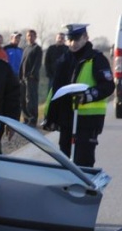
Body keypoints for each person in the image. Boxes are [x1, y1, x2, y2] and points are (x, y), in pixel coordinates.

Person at [42, 23, 113, 167]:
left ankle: (86, 188)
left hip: (87, 120)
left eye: (76, 39)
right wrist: (50, 115)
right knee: (65, 161)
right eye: (70, 39)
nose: (72, 43)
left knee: (83, 161)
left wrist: (88, 95)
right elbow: (55, 89)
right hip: (66, 118)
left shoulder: (96, 59)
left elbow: (108, 86)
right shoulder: (64, 60)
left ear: (86, 37)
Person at [18, 29, 43, 126]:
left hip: (31, 78)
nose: (30, 37)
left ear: (35, 37)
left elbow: (37, 63)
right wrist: (20, 76)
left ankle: (32, 119)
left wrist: (32, 74)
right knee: (23, 99)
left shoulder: (37, 48)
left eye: (32, 35)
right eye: (28, 35)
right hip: (23, 78)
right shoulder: (25, 48)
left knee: (31, 99)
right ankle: (26, 118)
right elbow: (22, 63)